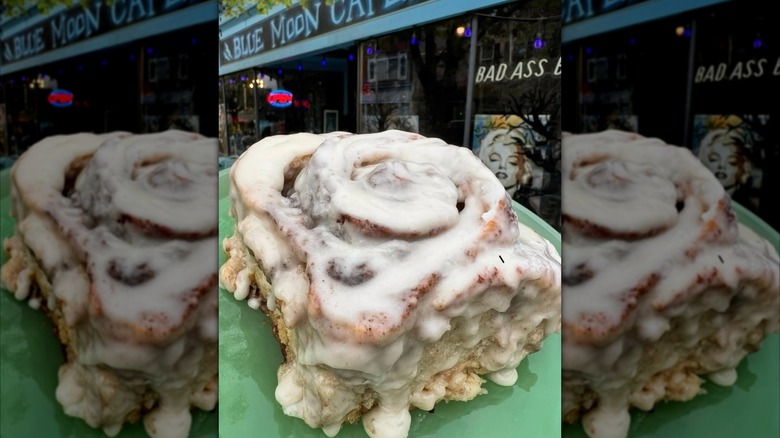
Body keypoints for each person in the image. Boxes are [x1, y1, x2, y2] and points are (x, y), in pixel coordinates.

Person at [477, 128, 534, 198]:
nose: (502, 166)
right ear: (485, 162)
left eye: (512, 161)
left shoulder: (523, 208)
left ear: (523, 169)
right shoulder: (471, 202)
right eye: (495, 159)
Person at [697, 127, 752, 198]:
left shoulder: (747, 207)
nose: (722, 165)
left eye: (732, 162)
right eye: (714, 159)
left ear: (743, 168)